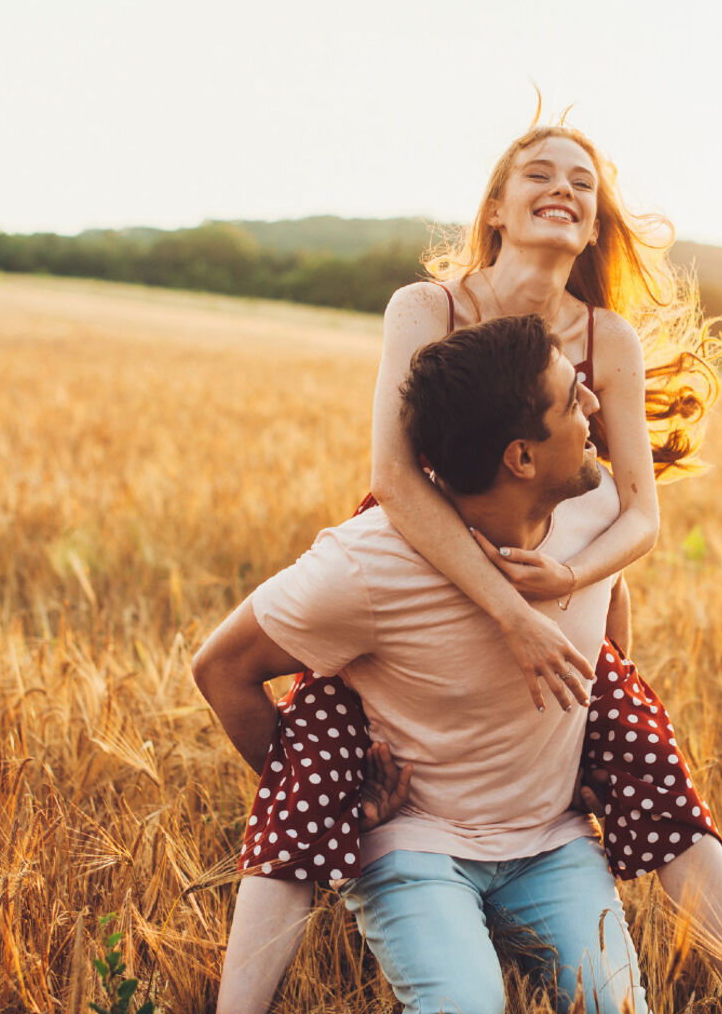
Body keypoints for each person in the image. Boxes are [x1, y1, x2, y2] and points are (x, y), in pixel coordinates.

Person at [217, 119, 722, 1012]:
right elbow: (397, 482)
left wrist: (565, 598)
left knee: (634, 738)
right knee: (325, 741)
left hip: (555, 550)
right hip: (424, 543)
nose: (565, 187)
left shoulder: (607, 343)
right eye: (539, 173)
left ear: (598, 221)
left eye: (584, 181)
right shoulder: (428, 308)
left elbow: (637, 513)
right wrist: (511, 613)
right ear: (496, 205)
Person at [195, 315, 649, 1013]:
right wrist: (336, 807)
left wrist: (596, 752)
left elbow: (611, 606)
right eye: (570, 399)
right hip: (417, 842)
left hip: (555, 839)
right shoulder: (366, 565)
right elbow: (221, 667)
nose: (594, 405)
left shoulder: (596, 510)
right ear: (520, 458)